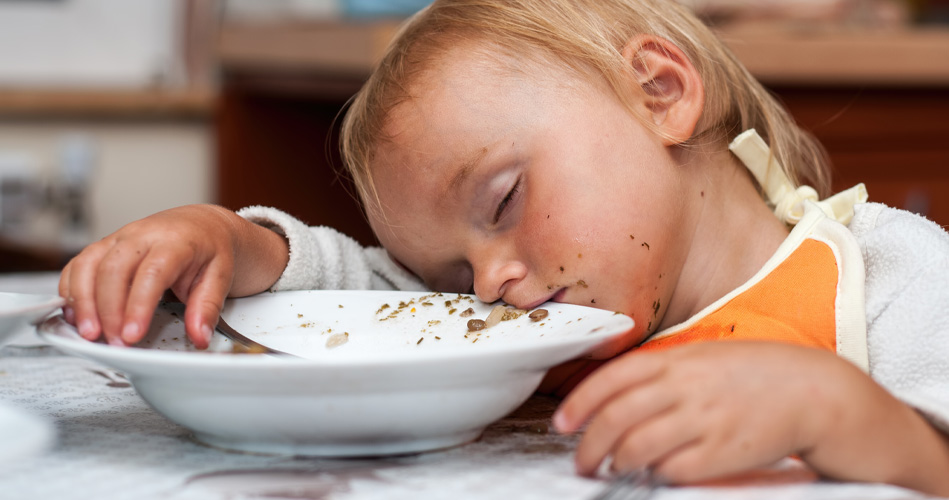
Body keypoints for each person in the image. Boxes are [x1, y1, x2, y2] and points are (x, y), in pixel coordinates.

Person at [58, 0, 949, 494]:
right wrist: (228, 242)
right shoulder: (506, 314)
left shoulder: (890, 277)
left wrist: (839, 412)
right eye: (449, 271)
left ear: (659, 91)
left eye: (504, 199)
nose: (488, 285)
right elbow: (357, 296)